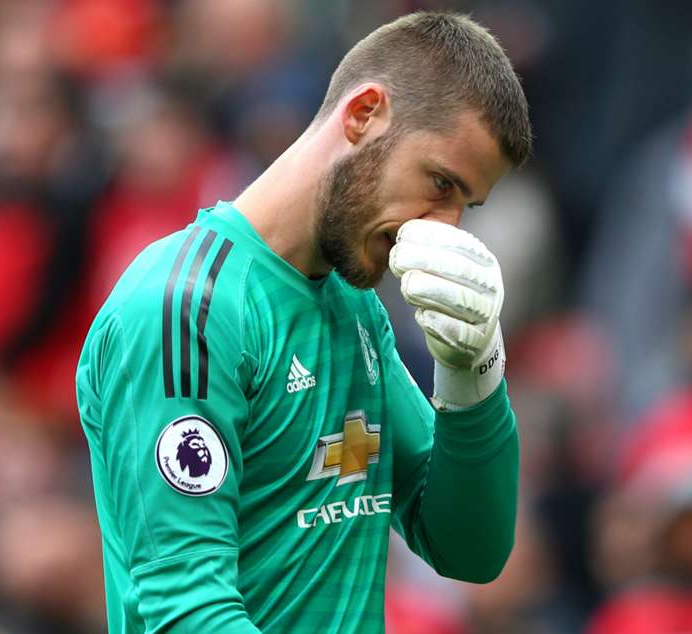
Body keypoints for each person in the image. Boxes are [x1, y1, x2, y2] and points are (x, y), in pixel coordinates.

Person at [75, 11, 532, 632]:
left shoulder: (354, 304)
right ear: (363, 113)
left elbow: (468, 548)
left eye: (464, 205)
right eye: (439, 183)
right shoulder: (187, 309)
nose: (444, 228)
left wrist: (473, 374)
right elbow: (185, 613)